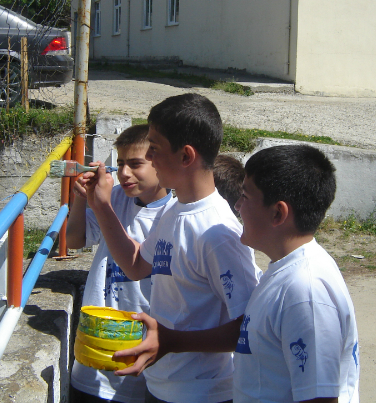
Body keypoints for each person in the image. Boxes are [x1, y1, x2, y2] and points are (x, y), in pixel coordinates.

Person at [114, 144, 360, 403]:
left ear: (278, 213)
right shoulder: (282, 273)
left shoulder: (306, 291)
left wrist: (173, 340)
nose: (238, 207)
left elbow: (319, 398)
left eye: (245, 197)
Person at [80, 93, 261, 403]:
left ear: (186, 156)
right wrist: (101, 207)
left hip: (201, 394)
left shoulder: (219, 233)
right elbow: (136, 265)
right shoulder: (175, 211)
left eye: (155, 149)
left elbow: (249, 326)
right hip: (161, 385)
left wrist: (171, 341)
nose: (149, 158)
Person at [67, 124, 174, 403]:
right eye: (121, 163)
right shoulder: (113, 198)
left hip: (142, 358)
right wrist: (82, 199)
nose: (125, 173)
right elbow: (75, 240)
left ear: (161, 163)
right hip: (94, 354)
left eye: (136, 164)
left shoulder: (175, 214)